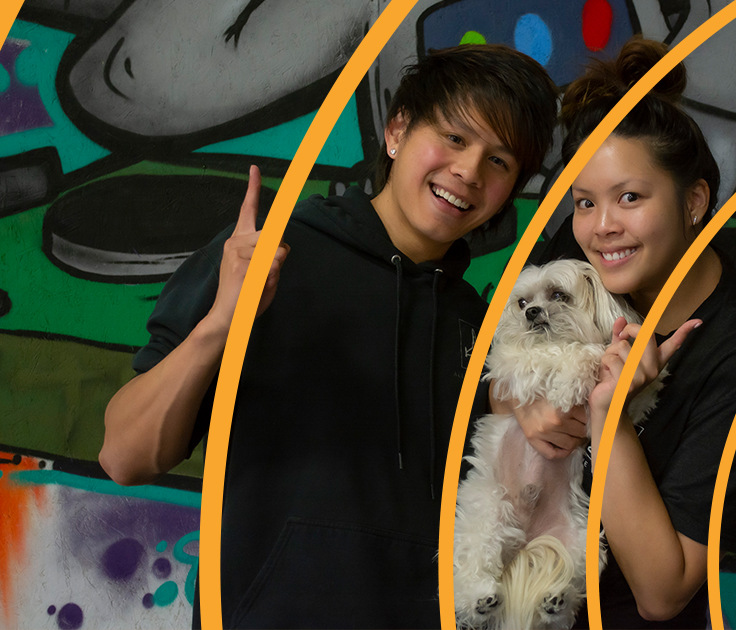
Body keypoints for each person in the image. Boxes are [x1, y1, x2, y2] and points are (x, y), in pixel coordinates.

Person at [99, 44, 558, 629]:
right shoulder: (271, 258)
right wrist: (219, 324)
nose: (468, 171)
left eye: (499, 161)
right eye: (453, 138)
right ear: (396, 132)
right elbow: (124, 456)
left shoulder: (480, 328)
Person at [505, 38, 736, 628]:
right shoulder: (578, 271)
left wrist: (611, 421)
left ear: (693, 202)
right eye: (584, 203)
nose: (602, 227)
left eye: (630, 198)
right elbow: (492, 372)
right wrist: (516, 399)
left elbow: (664, 592)